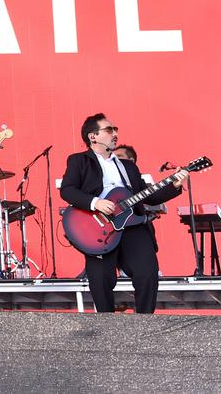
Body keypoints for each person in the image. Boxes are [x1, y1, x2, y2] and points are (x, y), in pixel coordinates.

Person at [59, 113, 187, 313]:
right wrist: (96, 203)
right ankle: (108, 325)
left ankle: (144, 322)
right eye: (109, 130)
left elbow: (148, 196)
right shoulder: (79, 161)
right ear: (93, 136)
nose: (115, 134)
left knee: (148, 272)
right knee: (101, 280)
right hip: (99, 228)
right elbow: (68, 190)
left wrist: (175, 185)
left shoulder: (128, 166)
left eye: (116, 130)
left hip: (131, 225)